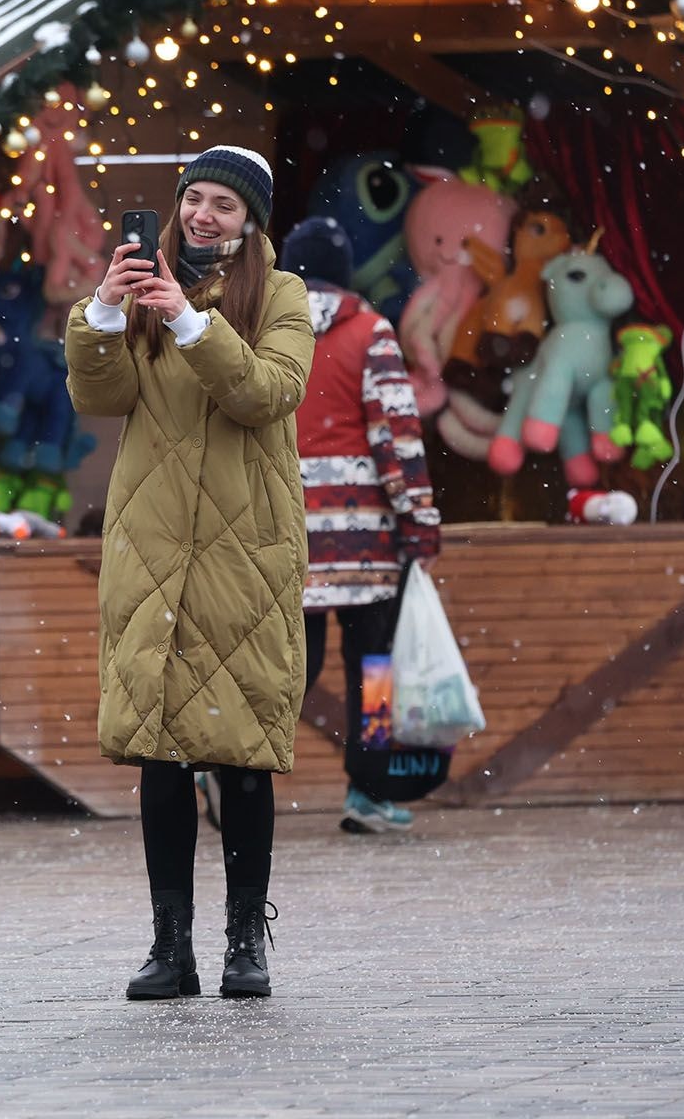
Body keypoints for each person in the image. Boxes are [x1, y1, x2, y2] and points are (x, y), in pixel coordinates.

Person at [65, 145, 313, 1001]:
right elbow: (100, 399)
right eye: (196, 200)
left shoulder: (282, 297)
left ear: (253, 222)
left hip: (248, 558)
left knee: (242, 757)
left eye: (226, 206)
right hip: (155, 547)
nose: (206, 215)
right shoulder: (141, 290)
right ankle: (170, 946)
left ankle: (248, 941)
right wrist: (101, 311)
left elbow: (266, 394)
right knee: (161, 757)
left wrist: (189, 322)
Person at [281, 215, 443, 835]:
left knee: (287, 669)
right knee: (373, 668)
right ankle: (369, 791)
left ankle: (233, 768)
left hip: (286, 535)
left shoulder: (264, 332)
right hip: (365, 542)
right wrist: (420, 524)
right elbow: (397, 440)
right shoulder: (372, 331)